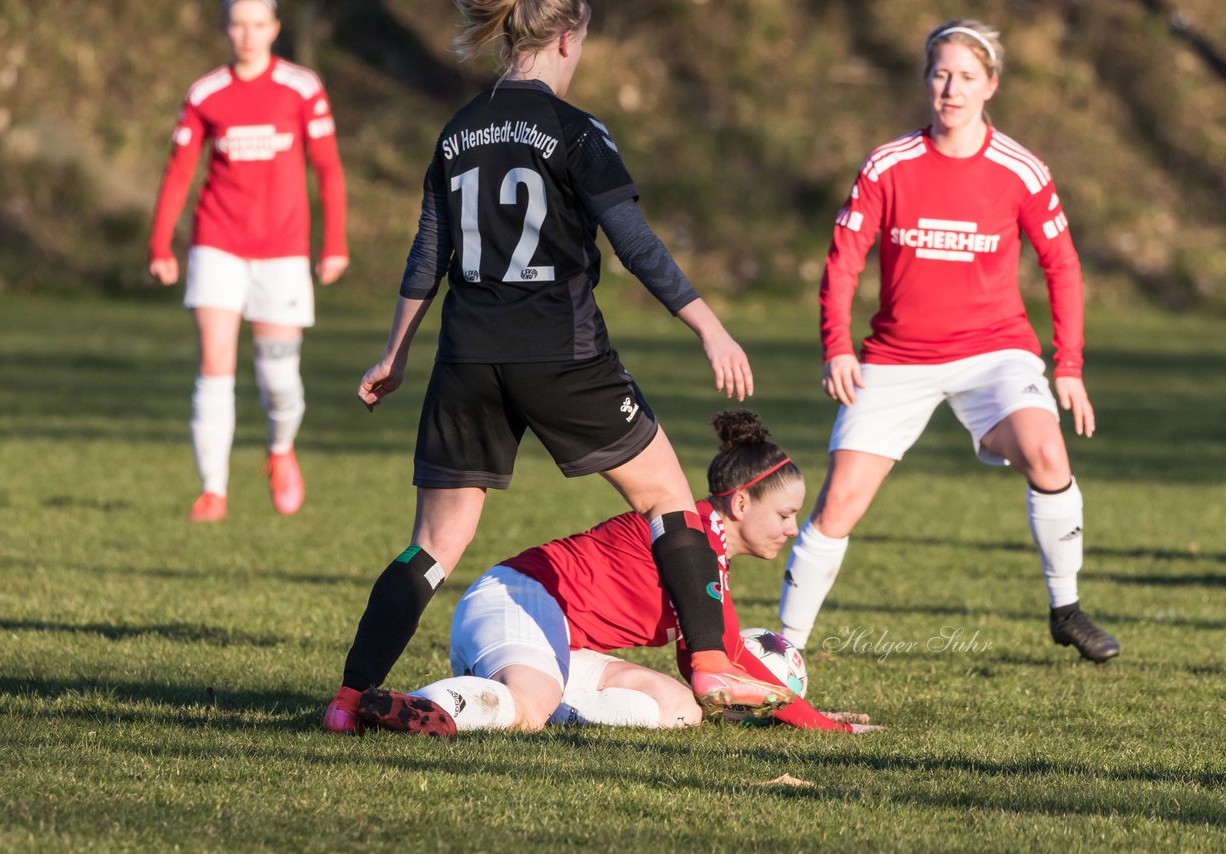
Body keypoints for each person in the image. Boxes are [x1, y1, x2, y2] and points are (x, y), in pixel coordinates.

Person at [324, 0, 787, 733]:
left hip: (467, 355)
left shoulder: (458, 131)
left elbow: (426, 255)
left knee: (435, 545)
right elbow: (635, 243)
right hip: (561, 354)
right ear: (570, 38)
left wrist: (395, 351)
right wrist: (709, 326)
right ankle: (708, 663)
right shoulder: (576, 131)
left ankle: (348, 703)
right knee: (667, 496)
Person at [778, 20, 1120, 664]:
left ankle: (1066, 609)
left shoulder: (1019, 170)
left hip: (995, 353)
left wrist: (1067, 365)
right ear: (926, 80)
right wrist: (837, 346)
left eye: (966, 77)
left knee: (1048, 454)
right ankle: (782, 649)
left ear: (990, 85)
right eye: (941, 74)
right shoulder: (889, 164)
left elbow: (1063, 265)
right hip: (895, 358)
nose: (951, 89)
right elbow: (844, 260)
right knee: (839, 504)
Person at [357, 411, 879, 736]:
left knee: (677, 710)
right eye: (786, 515)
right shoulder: (692, 537)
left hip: (556, 642)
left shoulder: (704, 551)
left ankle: (518, 702)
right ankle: (419, 706)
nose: (791, 530)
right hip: (517, 601)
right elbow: (733, 655)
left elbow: (703, 668)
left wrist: (785, 710)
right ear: (741, 503)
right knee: (531, 707)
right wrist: (819, 723)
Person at [148, 0, 348, 523]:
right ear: (226, 27)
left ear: (274, 29)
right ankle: (212, 490)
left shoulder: (302, 88)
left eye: (258, 24)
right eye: (238, 23)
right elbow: (178, 171)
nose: (248, 34)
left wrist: (334, 244)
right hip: (216, 245)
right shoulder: (205, 94)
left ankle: (280, 451)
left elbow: (327, 169)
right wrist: (160, 245)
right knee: (215, 366)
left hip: (283, 253)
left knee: (278, 377)